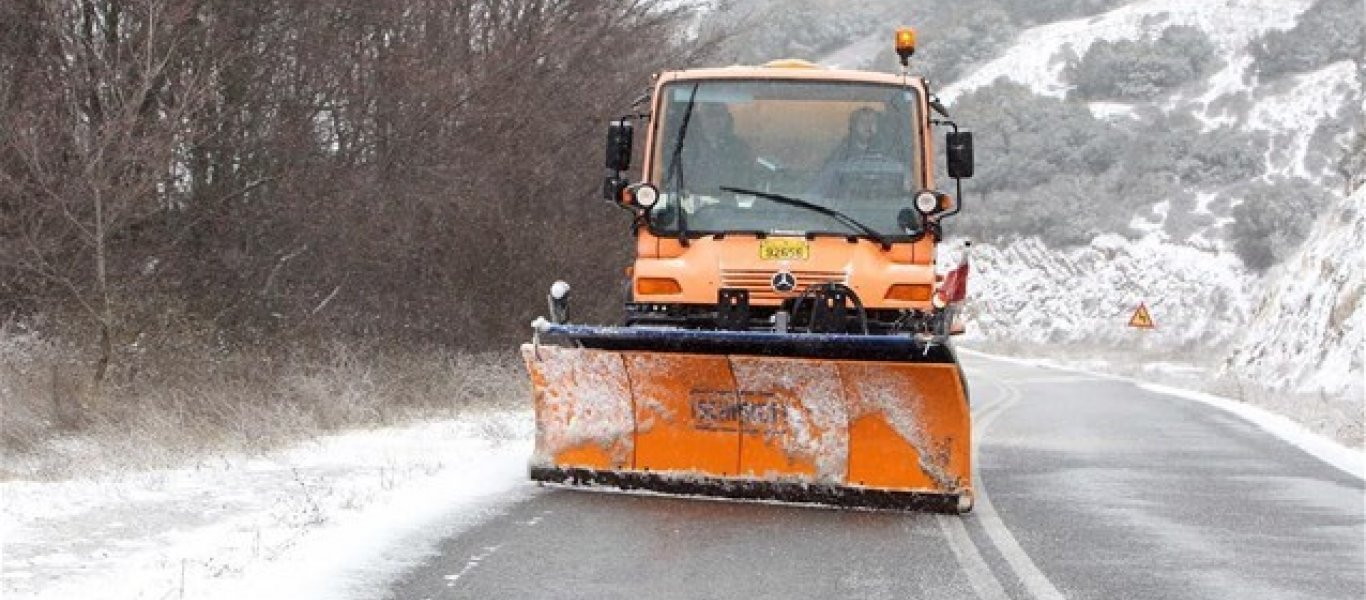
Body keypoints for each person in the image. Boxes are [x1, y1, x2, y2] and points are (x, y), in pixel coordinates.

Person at [810, 107, 909, 199]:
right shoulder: (841, 151)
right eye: (863, 122)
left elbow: (905, 181)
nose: (868, 126)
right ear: (853, 126)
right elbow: (823, 185)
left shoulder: (891, 150)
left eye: (872, 122)